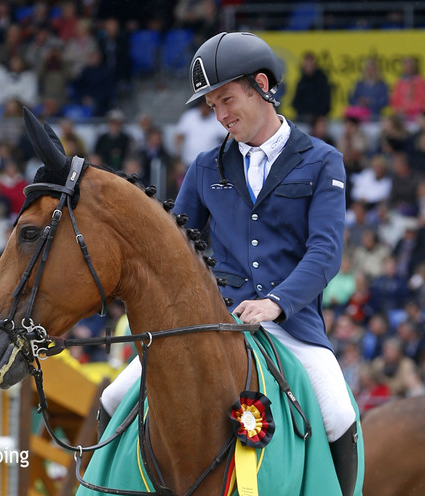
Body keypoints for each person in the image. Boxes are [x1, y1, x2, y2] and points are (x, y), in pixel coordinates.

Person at [100, 32, 358, 495]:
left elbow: (325, 253)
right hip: (210, 322)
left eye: (228, 100)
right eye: (213, 106)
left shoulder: (323, 161)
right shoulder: (204, 167)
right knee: (114, 395)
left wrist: (277, 303)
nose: (221, 116)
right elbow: (172, 252)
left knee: (339, 413)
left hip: (288, 323)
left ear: (261, 85)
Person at [291, 52, 331, 123]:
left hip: (319, 116)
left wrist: (318, 115)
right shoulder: (301, 81)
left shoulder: (322, 81)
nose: (308, 67)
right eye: (306, 64)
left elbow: (325, 100)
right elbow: (296, 101)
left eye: (310, 64)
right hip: (303, 116)